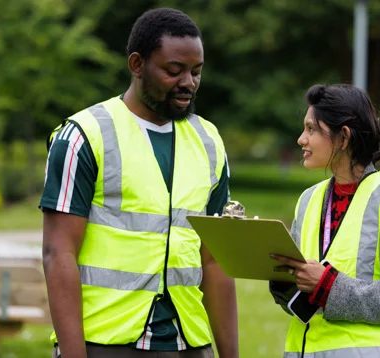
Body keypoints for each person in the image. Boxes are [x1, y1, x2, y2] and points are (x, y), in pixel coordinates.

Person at [39, 8, 238, 358]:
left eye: (196, 72)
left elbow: (215, 260)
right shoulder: (84, 136)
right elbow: (59, 253)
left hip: (187, 340)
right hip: (104, 341)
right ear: (137, 64)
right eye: (173, 71)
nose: (188, 83)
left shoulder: (209, 141)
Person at [270, 84, 380, 357]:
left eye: (311, 129)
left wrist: (328, 286)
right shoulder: (308, 200)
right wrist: (281, 277)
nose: (301, 139)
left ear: (343, 137)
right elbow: (306, 291)